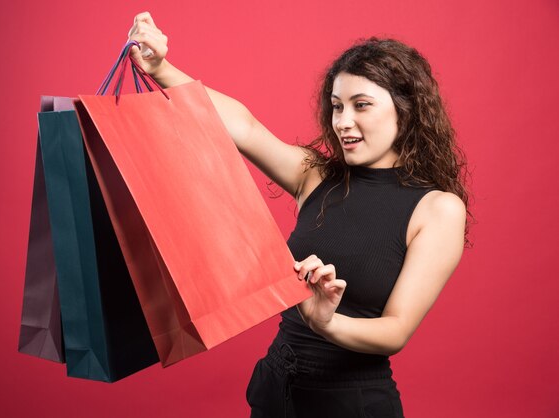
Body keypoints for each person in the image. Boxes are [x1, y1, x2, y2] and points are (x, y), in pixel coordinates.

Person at [127, 12, 470, 418]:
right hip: (275, 389)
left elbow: (395, 330)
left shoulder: (437, 209)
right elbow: (246, 127)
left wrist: (326, 322)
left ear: (405, 110)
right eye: (337, 106)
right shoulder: (316, 175)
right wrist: (160, 68)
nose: (343, 122)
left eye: (361, 106)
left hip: (349, 404)